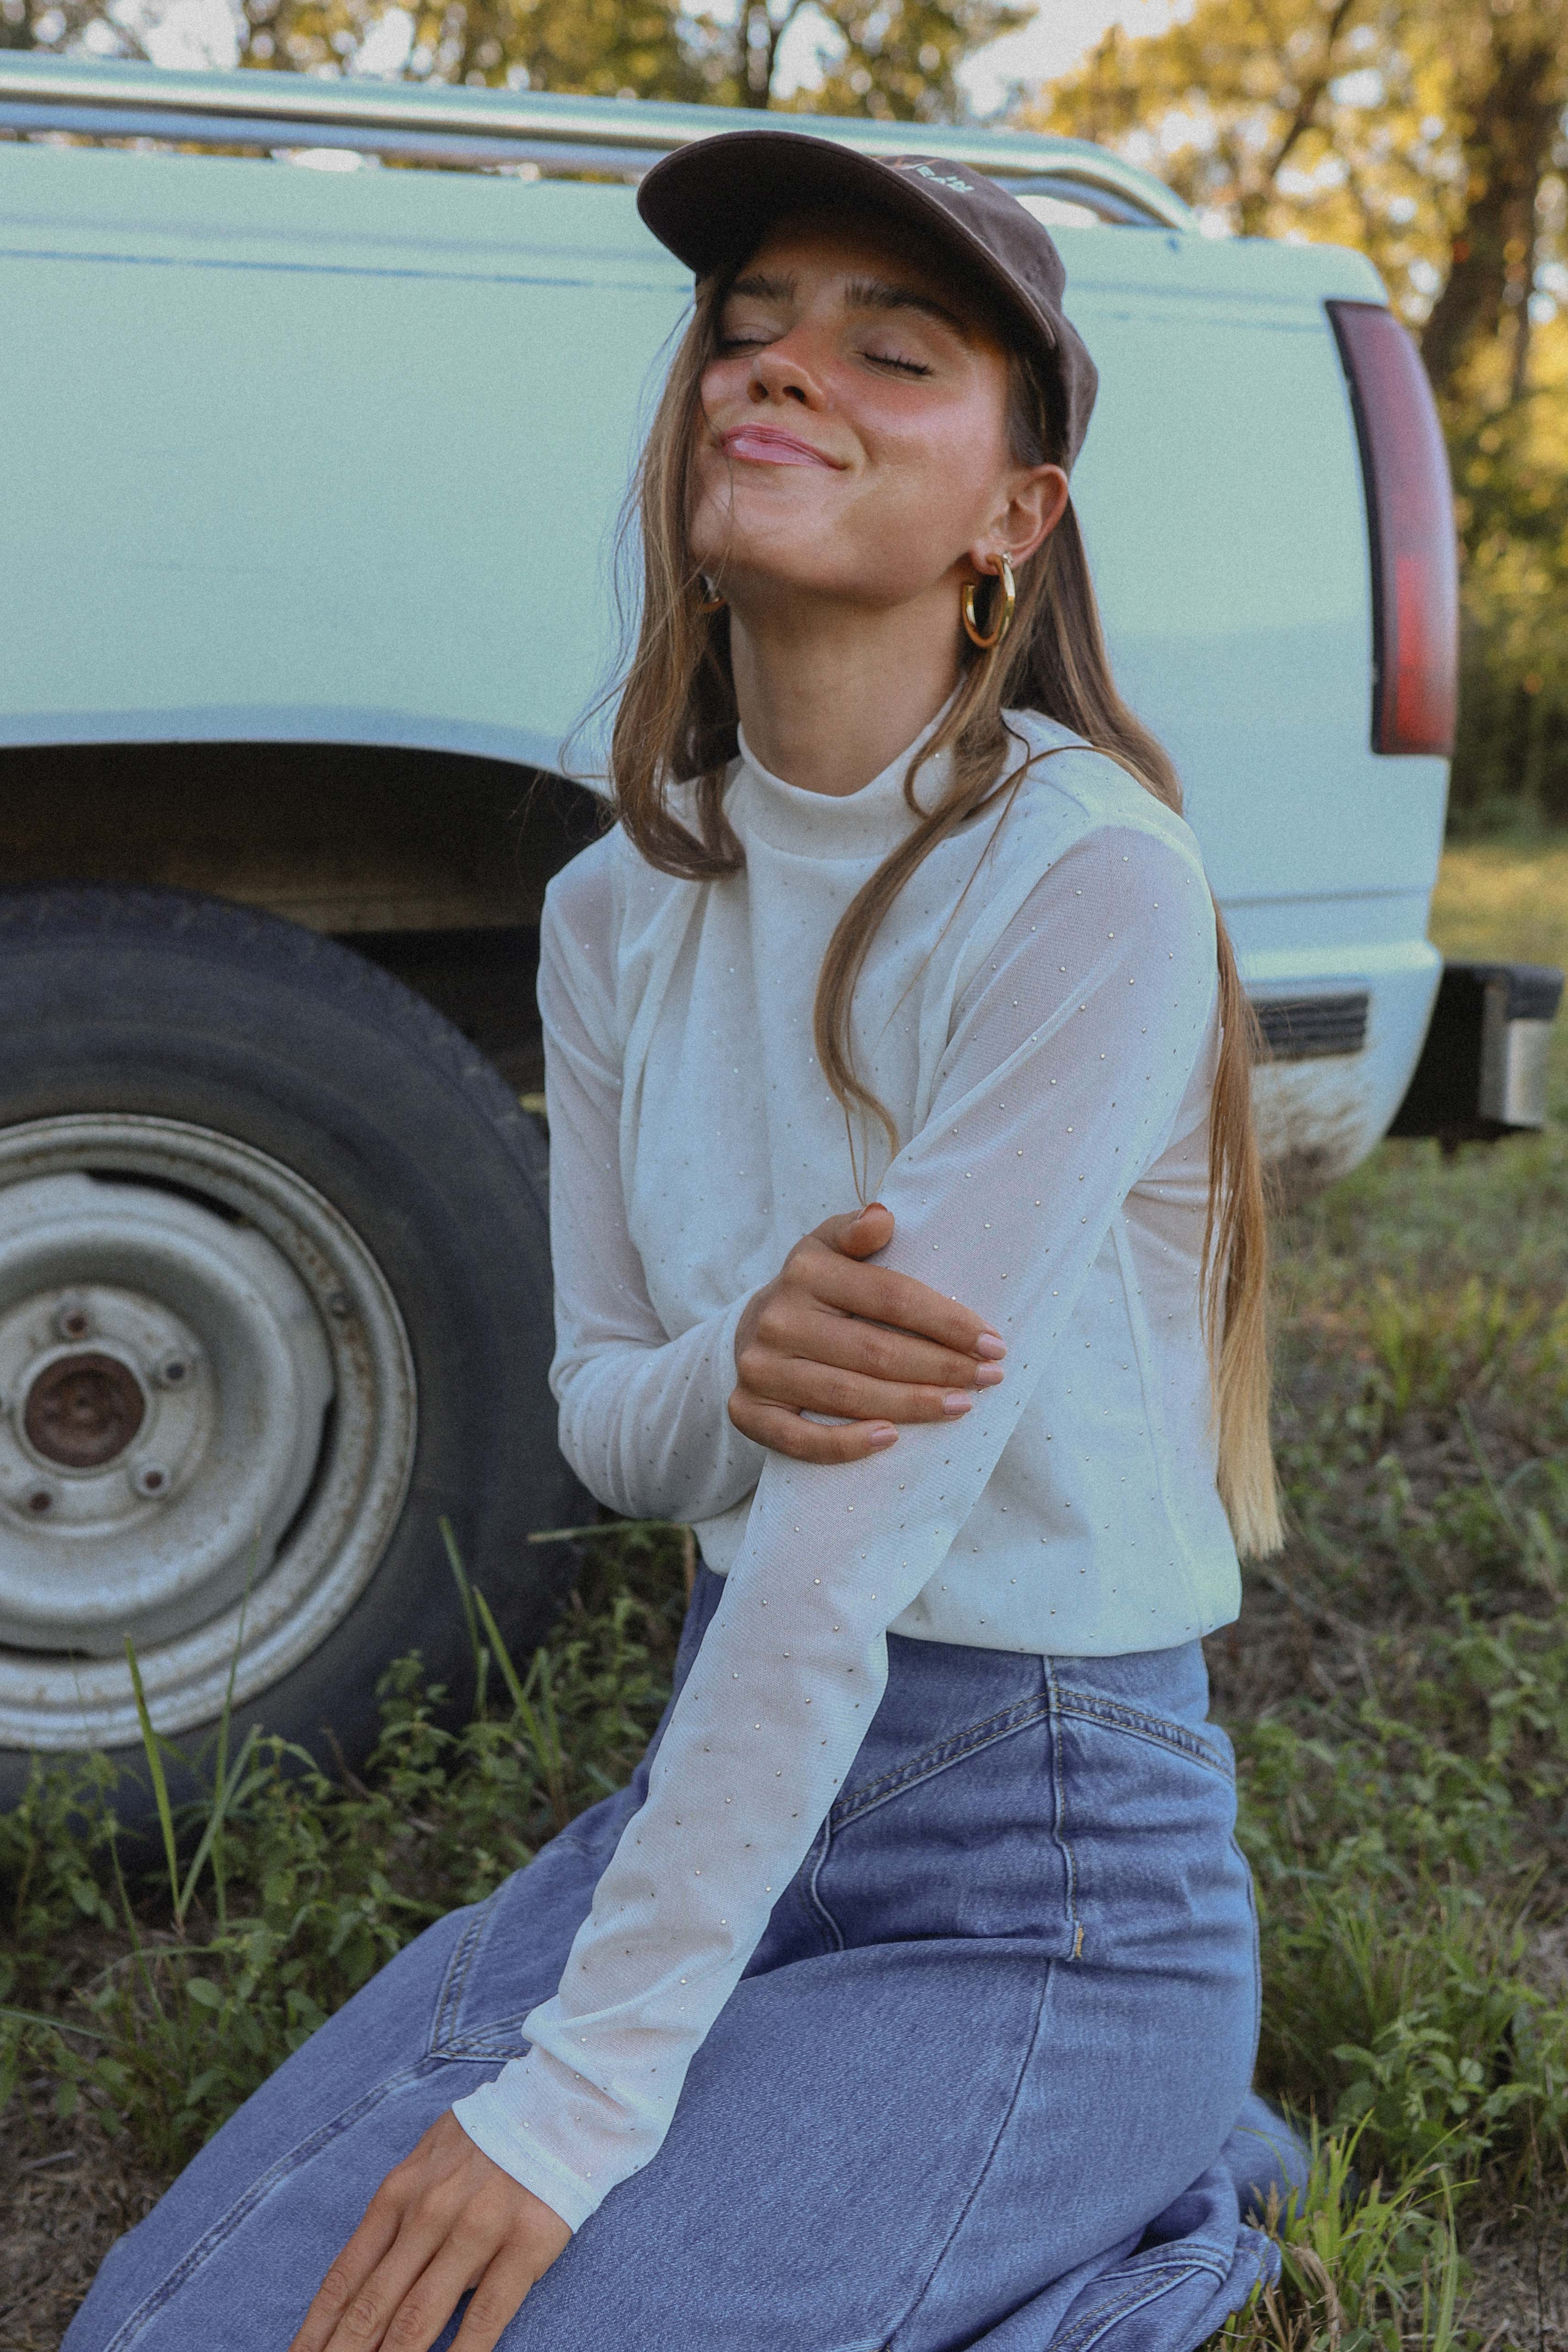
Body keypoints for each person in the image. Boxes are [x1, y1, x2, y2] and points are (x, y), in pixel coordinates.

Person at [66, 131, 1312, 2352]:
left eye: (889, 354)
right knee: (173, 2333)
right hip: (728, 1785)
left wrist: (579, 2097)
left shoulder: (1085, 886)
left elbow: (846, 1542)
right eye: (745, 336)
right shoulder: (614, 908)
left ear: (1009, 523)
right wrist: (741, 1362)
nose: (781, 373)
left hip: (1044, 1871)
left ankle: (1142, 2181)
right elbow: (618, 1435)